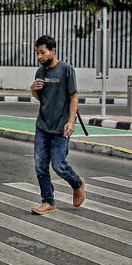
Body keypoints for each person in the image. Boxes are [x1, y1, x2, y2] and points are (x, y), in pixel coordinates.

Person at [29, 35, 85, 215]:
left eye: (42, 52)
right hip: (42, 125)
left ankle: (77, 183)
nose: (39, 56)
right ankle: (48, 201)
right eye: (37, 53)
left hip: (61, 127)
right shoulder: (40, 72)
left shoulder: (66, 70)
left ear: (53, 51)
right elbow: (41, 99)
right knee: (40, 165)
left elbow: (73, 97)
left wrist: (71, 121)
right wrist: (33, 90)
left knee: (59, 165)